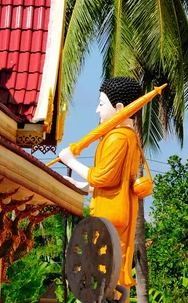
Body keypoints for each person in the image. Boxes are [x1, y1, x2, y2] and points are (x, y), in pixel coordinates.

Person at [59, 77, 142, 297]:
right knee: (109, 270)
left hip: (111, 215)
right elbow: (114, 181)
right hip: (114, 207)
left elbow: (103, 178)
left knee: (105, 271)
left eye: (101, 104)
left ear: (119, 108)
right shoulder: (127, 137)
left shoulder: (119, 138)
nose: (97, 110)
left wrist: (71, 161)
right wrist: (81, 186)